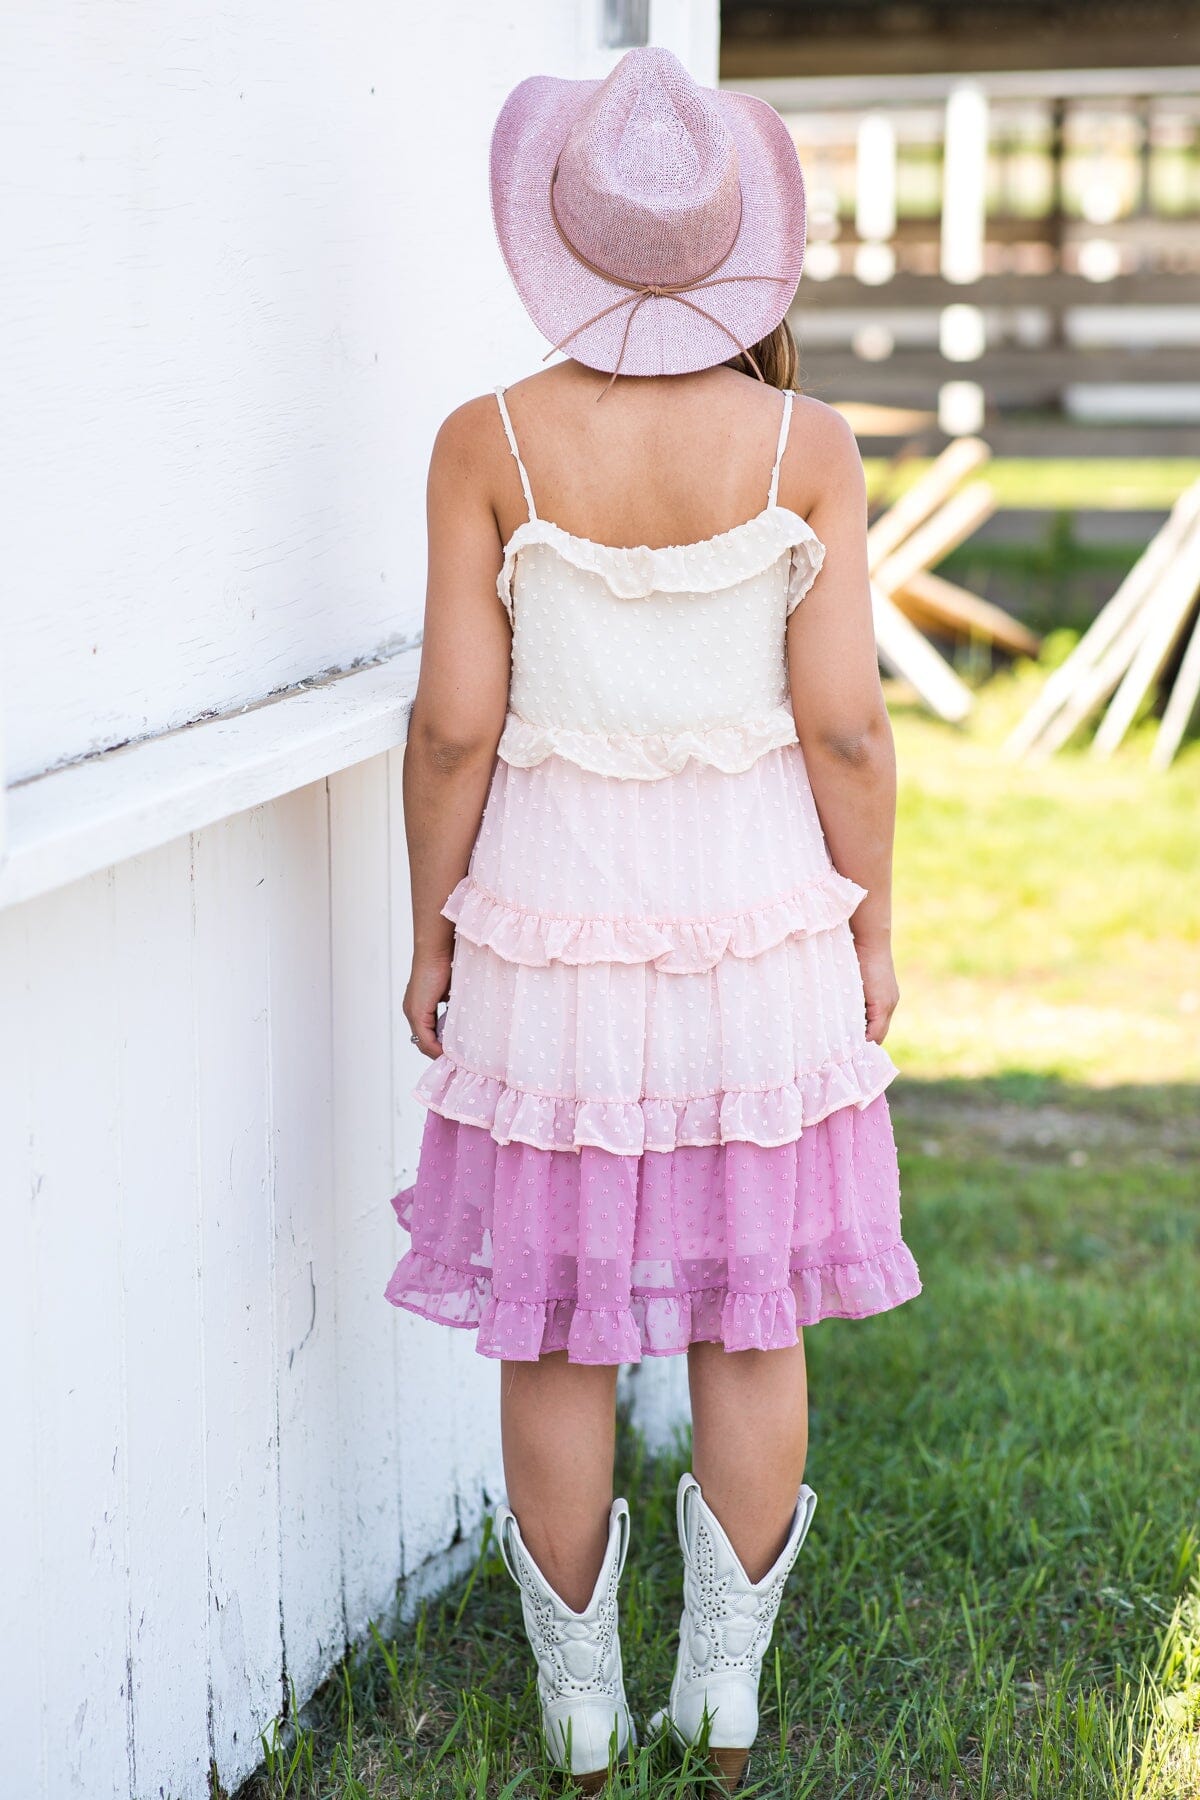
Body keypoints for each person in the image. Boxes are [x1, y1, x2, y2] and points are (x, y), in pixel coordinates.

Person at [385, 43, 921, 1794]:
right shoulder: (805, 443)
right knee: (746, 1310)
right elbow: (844, 727)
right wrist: (872, 926)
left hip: (551, 923)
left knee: (558, 1317)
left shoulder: (492, 443)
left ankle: (581, 1708)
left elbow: (457, 722)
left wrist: (433, 929)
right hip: (757, 921)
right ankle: (726, 1693)